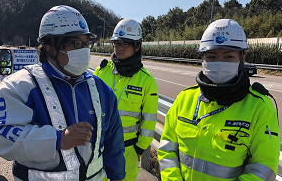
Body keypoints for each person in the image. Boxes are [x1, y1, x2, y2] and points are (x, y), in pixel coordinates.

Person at [0, 5, 125, 181]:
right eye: (76, 43)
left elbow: (114, 145)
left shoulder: (101, 90)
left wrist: (118, 177)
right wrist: (57, 139)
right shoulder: (19, 87)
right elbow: (2, 137)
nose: (84, 50)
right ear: (50, 48)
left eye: (86, 43)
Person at [158, 19, 280, 181]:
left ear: (243, 56)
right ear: (203, 58)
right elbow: (167, 147)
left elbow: (263, 169)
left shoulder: (260, 108)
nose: (220, 63)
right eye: (212, 56)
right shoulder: (185, 98)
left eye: (228, 56)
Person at [94, 19, 159, 180]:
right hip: (98, 148)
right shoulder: (101, 72)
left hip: (127, 151)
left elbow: (149, 120)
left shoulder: (146, 80)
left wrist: (139, 149)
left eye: (125, 44)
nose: (119, 48)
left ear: (137, 46)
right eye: (116, 44)